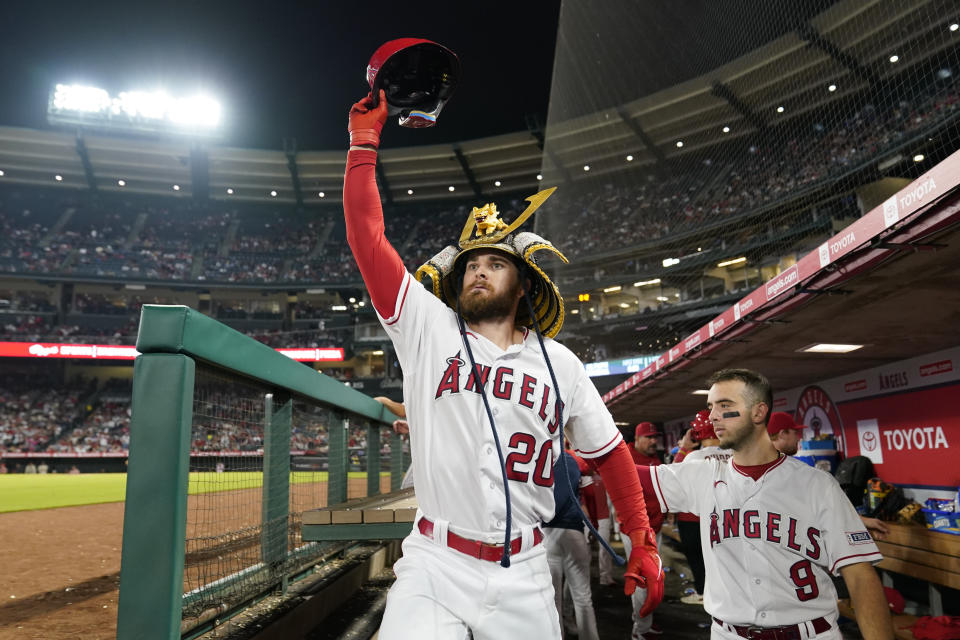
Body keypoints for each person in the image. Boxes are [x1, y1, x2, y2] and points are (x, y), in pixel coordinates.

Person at [344, 89, 662, 639]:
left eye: (495, 264)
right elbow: (368, 240)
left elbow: (612, 455)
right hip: (435, 564)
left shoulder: (559, 363)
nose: (478, 272)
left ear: (523, 287)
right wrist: (364, 145)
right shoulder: (427, 328)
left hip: (526, 571)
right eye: (470, 265)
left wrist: (644, 538)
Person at [647, 369, 892, 640]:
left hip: (810, 633)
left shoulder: (817, 484)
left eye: (725, 406)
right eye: (710, 407)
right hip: (729, 634)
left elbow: (860, 577)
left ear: (758, 412)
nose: (713, 415)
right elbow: (627, 475)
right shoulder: (704, 473)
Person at [768, 412, 890, 541]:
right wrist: (862, 521)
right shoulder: (786, 469)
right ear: (782, 434)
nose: (798, 438)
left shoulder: (761, 465)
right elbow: (821, 508)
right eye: (794, 433)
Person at [675, 410, 733, 606]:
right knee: (724, 561)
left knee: (699, 559)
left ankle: (703, 593)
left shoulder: (693, 457)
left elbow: (674, 484)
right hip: (730, 518)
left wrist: (684, 448)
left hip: (696, 519)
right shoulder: (736, 453)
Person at [544, 450, 599, 640]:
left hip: (549, 534)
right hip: (573, 532)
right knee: (582, 598)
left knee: (554, 600)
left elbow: (552, 505)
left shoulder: (544, 457)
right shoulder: (571, 460)